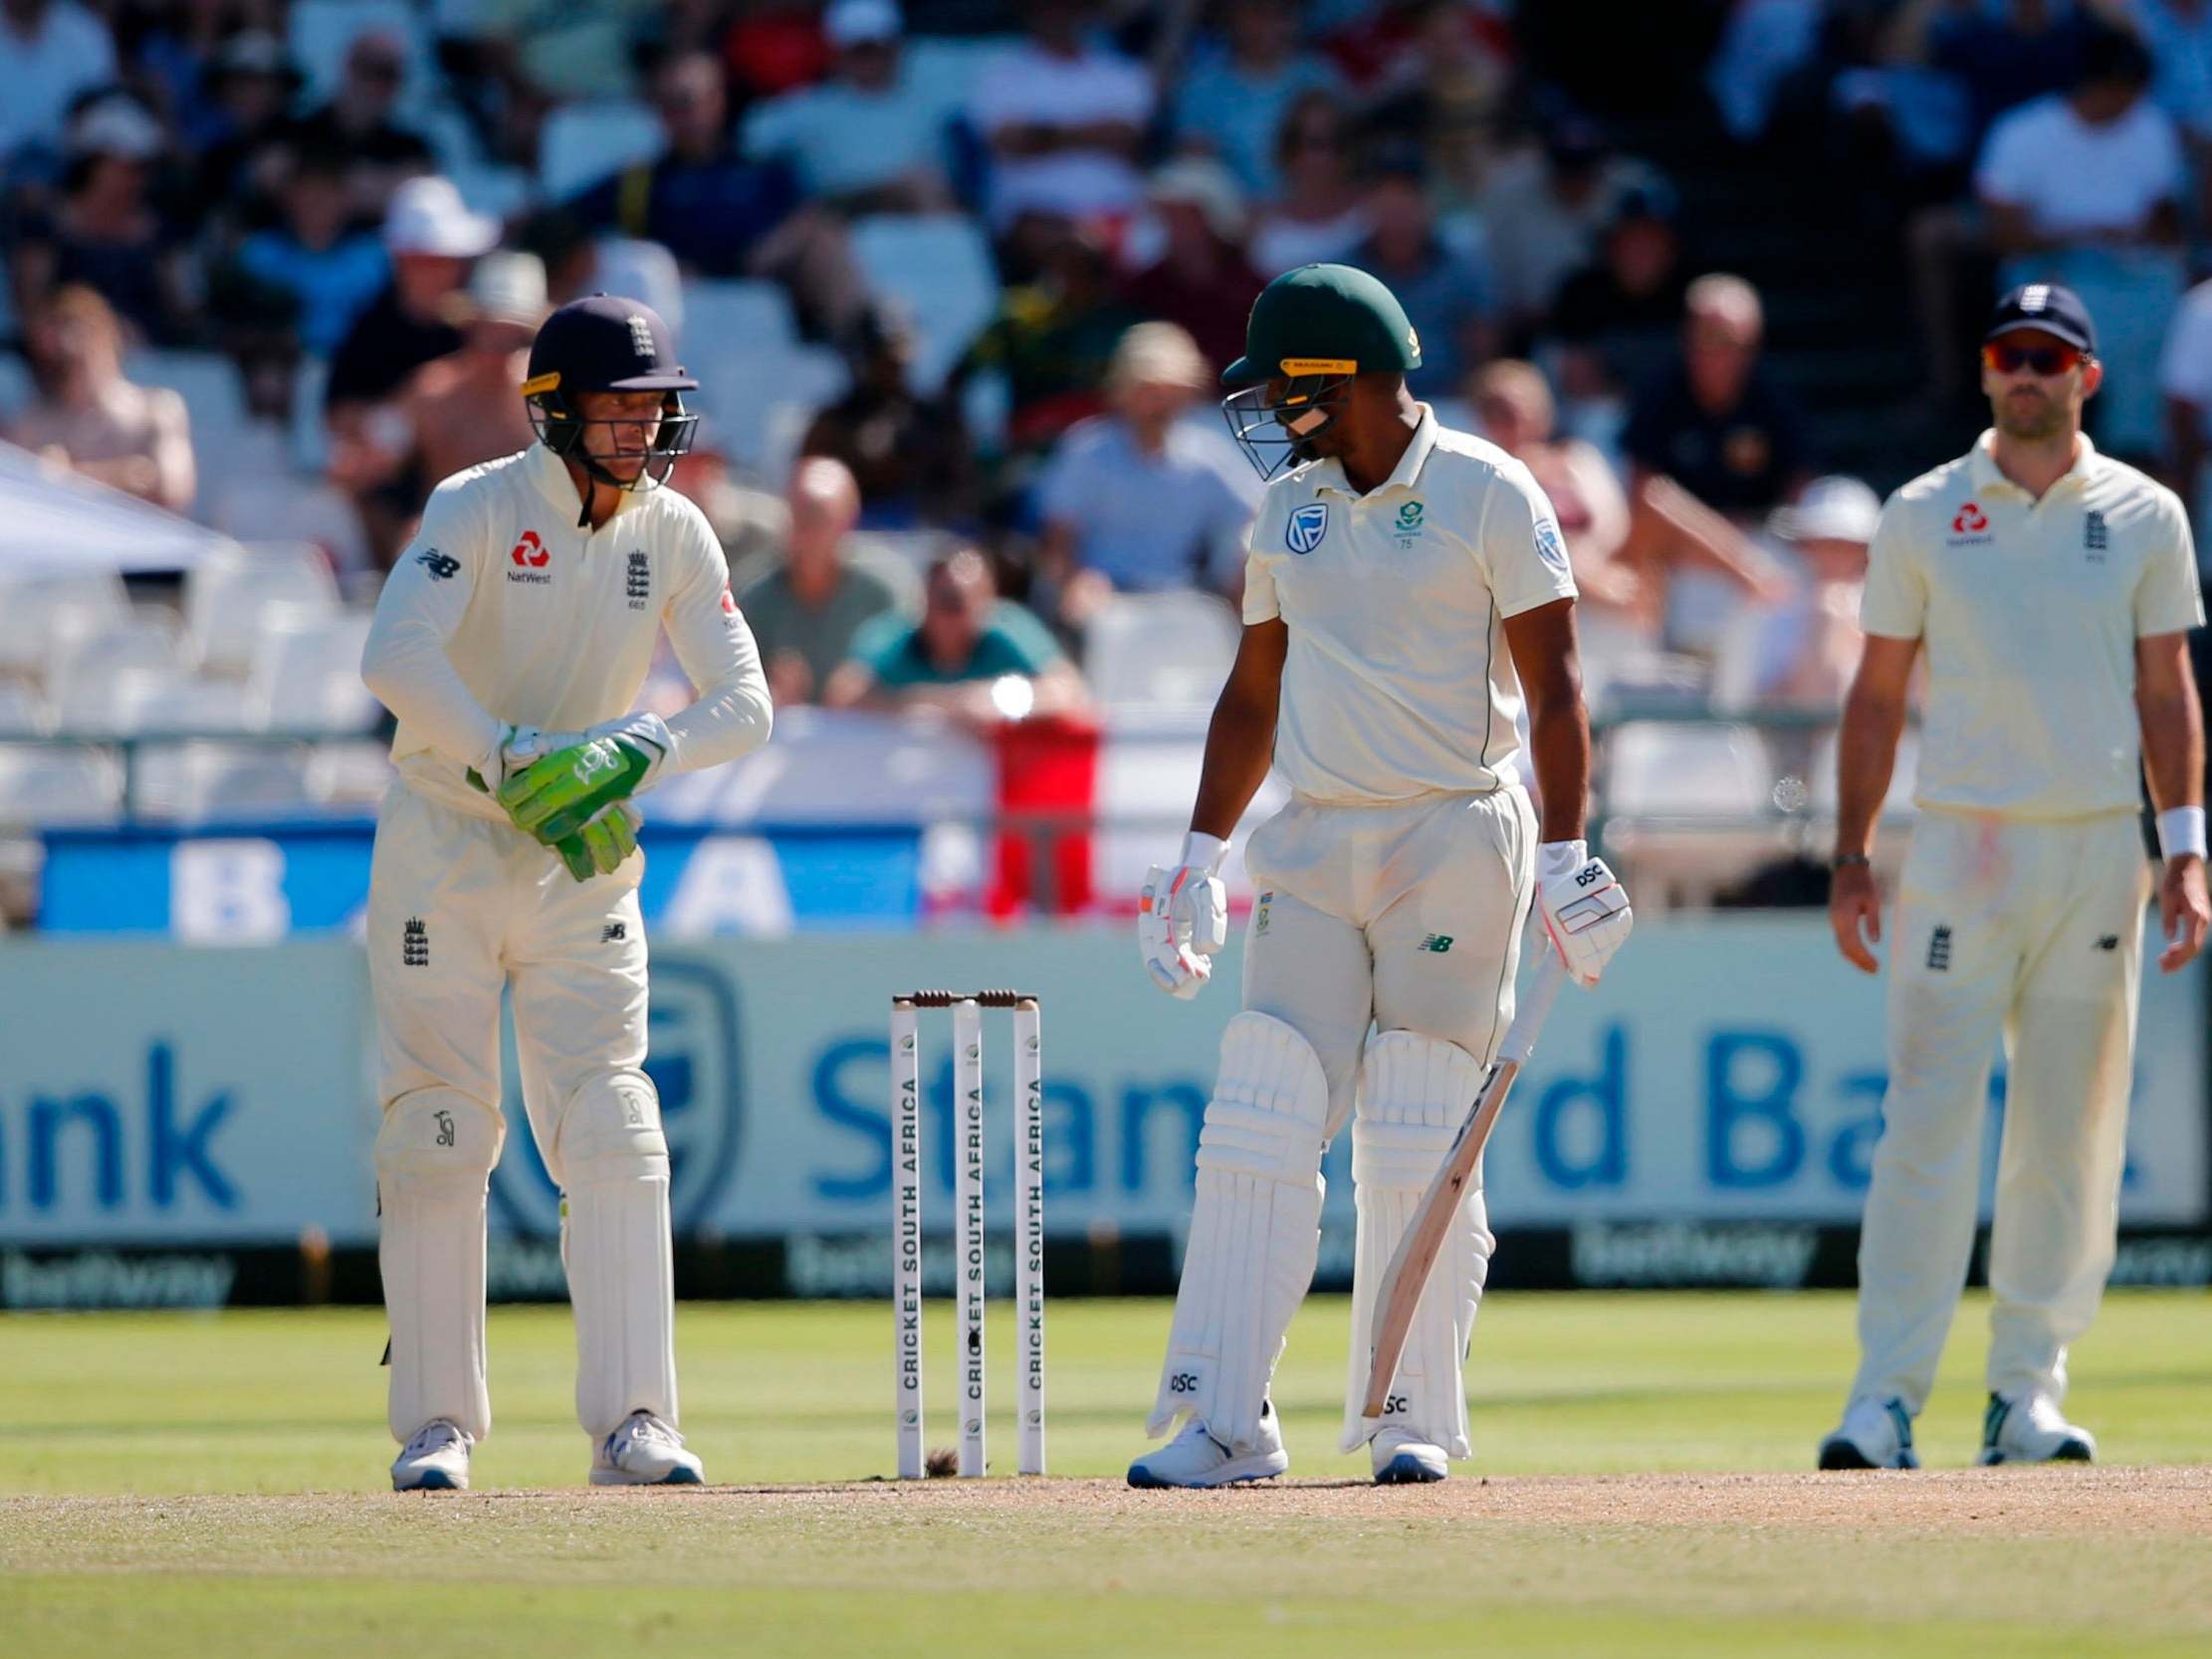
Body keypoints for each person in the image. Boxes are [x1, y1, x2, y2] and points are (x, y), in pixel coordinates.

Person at [1126, 264, 1632, 1490]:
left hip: (1455, 834)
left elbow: (1557, 685)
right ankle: (1226, 1421)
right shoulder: (1286, 508)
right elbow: (1253, 690)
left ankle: (1406, 1410)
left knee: (1414, 1111)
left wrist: (1563, 852)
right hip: (1314, 837)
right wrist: (1197, 857)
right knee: (1258, 1103)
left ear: (1334, 381)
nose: (1263, 414)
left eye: (1277, 388)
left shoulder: (1485, 489)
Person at [357, 295, 774, 1493]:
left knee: (613, 1122)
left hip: (578, 858)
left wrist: (635, 746)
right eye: (616, 407)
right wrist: (512, 755)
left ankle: (635, 1420)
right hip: (446, 839)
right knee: (438, 1127)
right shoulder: (477, 505)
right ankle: (436, 1427)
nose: (641, 428)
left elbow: (742, 704)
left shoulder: (676, 530)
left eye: (653, 406)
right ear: (552, 412)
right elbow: (395, 653)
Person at [1821, 283, 2208, 1473]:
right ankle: (1882, 1400)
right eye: (2007, 354)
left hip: (2096, 848)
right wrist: (1850, 853)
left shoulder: (2142, 513)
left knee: (2067, 1134)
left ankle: (2025, 1393)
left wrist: (2184, 848)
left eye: (2048, 357)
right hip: (1960, 848)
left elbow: (2163, 690)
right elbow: (1877, 694)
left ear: (2086, 376)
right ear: (1984, 371)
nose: (2026, 373)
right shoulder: (1923, 512)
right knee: (1923, 1129)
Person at [1034, 321, 1260, 622]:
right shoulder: (1087, 451)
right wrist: (1074, 583)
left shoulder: (1207, 456)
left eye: (1172, 392)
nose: (1161, 404)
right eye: (1150, 391)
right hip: (1101, 604)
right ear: (1124, 390)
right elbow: (1057, 540)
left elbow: (1257, 514)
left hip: (1181, 603)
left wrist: (1243, 572)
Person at [823, 545, 1085, 726]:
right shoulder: (897, 633)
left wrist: (998, 701)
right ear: (924, 599)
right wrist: (931, 705)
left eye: (958, 604)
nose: (948, 616)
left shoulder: (1008, 629)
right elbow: (842, 692)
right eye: (942, 601)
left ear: (987, 604)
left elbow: (1069, 690)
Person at [741, 0, 957, 214]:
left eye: (878, 50)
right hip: (847, 224)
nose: (870, 61)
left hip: (925, 217)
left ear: (896, 48)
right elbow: (750, 140)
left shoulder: (929, 100)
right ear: (836, 53)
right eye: (859, 51)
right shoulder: (812, 106)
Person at [738, 455, 911, 706]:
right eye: (799, 515)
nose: (806, 531)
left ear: (848, 521)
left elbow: (916, 669)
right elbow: (720, 683)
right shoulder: (753, 595)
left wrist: (868, 690)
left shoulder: (885, 593)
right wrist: (765, 692)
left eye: (818, 518)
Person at [965, 0, 1151, 230]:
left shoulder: (1122, 72)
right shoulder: (1001, 73)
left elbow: (1125, 138)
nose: (1059, 14)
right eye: (1048, 6)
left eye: (1068, 5)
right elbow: (1010, 140)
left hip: (1118, 214)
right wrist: (1095, 134)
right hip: (1031, 214)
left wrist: (1045, 135)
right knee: (1068, 247)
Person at [10, 283, 195, 513]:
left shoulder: (157, 408)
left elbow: (171, 490)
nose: (70, 350)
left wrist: (69, 476)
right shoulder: (32, 423)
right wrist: (127, 475)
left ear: (106, 334)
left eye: (80, 332)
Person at [398, 251, 548, 486]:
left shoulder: (552, 399)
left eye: (512, 334)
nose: (500, 344)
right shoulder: (432, 391)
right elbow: (376, 465)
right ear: (471, 326)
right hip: (444, 518)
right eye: (491, 330)